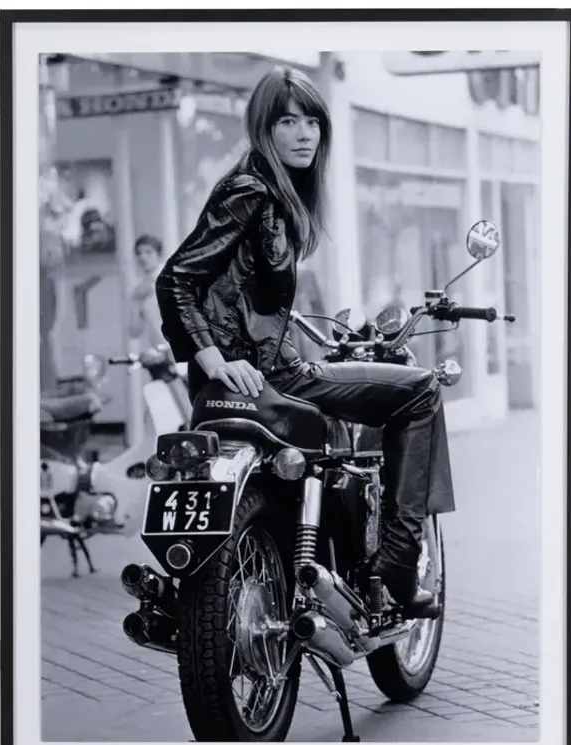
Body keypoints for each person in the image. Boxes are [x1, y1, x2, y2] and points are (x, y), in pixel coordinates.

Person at [155, 66, 455, 608]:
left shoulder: (270, 193)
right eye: (287, 121)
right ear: (263, 128)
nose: (303, 133)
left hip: (260, 367)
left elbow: (240, 291)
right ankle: (399, 560)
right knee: (422, 390)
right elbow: (177, 277)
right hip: (272, 375)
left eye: (312, 121)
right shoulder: (251, 190)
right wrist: (214, 357)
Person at [129, 234, 166, 347]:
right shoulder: (139, 288)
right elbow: (135, 330)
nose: (143, 257)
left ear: (159, 255)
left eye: (148, 252)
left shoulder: (171, 279)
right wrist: (136, 301)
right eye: (139, 253)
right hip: (160, 350)